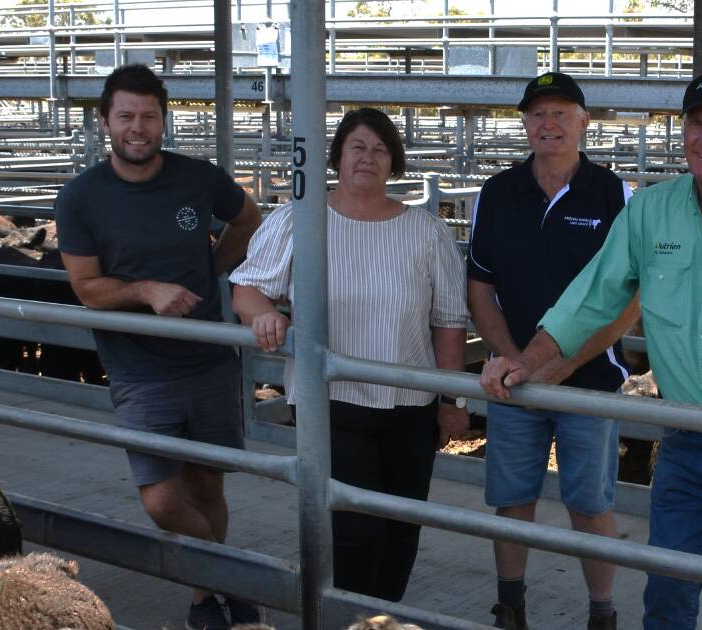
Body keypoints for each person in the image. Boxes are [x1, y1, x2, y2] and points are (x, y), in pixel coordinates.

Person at [479, 69, 702, 630]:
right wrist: (528, 361)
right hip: (685, 440)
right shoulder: (649, 211)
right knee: (665, 594)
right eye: (695, 123)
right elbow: (589, 300)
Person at [230, 107, 469, 603]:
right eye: (357, 146)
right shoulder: (299, 220)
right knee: (356, 530)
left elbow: (448, 321)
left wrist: (454, 400)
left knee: (403, 524)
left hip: (410, 403)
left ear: (394, 162)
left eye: (380, 149)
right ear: (338, 155)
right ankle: (348, 616)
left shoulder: (426, 231)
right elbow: (247, 289)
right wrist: (263, 316)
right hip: (329, 399)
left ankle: (379, 614)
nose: (368, 157)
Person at [55, 64, 263, 630]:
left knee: (206, 485)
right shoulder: (81, 198)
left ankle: (205, 598)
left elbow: (247, 218)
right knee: (162, 501)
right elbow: (86, 288)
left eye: (149, 115)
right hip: (138, 367)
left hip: (208, 359)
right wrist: (146, 291)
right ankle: (234, 577)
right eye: (126, 115)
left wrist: (210, 270)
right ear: (106, 122)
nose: (138, 127)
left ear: (163, 120)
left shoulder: (198, 177)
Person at [467, 71, 639, 630]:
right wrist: (515, 358)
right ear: (525, 124)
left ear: (584, 121)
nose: (549, 124)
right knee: (512, 497)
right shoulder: (496, 193)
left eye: (561, 112)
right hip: (514, 375)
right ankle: (510, 605)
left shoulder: (615, 194)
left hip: (588, 378)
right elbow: (480, 288)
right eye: (538, 114)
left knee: (590, 503)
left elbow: (629, 300)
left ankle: (601, 613)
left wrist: (559, 365)